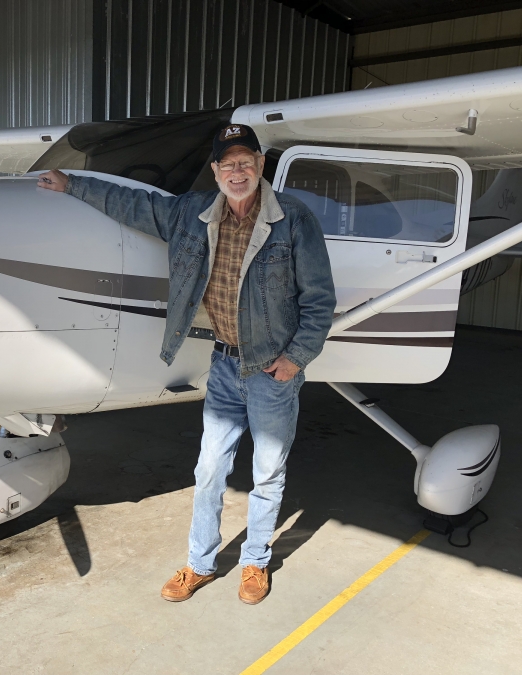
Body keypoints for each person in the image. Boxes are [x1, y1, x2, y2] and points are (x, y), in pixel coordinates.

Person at [37, 123, 335, 605]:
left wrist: (293, 361)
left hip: (270, 373)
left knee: (266, 472)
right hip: (222, 366)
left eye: (246, 162)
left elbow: (320, 300)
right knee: (209, 470)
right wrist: (73, 183)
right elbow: (135, 205)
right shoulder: (191, 212)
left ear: (260, 166)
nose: (237, 172)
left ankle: (255, 561)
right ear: (215, 171)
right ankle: (200, 564)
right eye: (227, 164)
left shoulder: (294, 219)